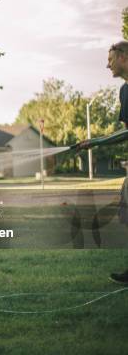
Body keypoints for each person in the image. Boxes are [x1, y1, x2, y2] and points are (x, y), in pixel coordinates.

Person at [74, 41, 128, 284]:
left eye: (110, 60)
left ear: (124, 58)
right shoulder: (124, 91)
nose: (107, 65)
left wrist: (97, 141)